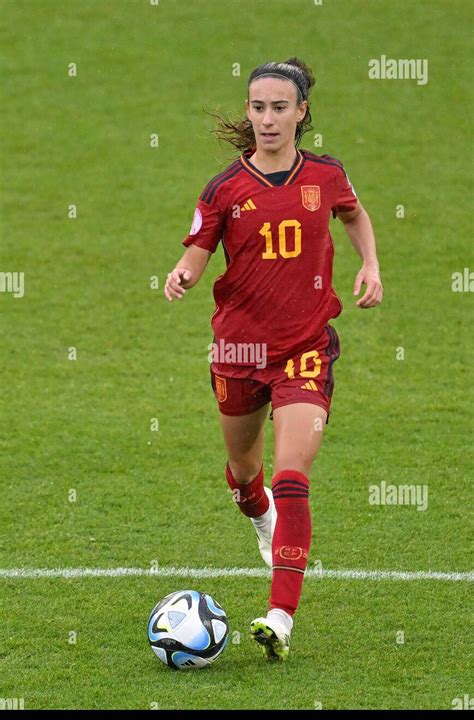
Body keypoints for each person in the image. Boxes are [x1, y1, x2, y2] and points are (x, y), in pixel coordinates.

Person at [164, 57, 383, 661]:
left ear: (301, 111)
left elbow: (355, 214)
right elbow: (198, 249)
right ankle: (259, 519)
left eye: (279, 107)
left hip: (304, 349)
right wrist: (182, 275)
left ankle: (280, 616)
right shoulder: (224, 188)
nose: (266, 119)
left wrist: (370, 264)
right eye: (257, 107)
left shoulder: (328, 175)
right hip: (238, 349)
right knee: (243, 475)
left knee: (293, 475)